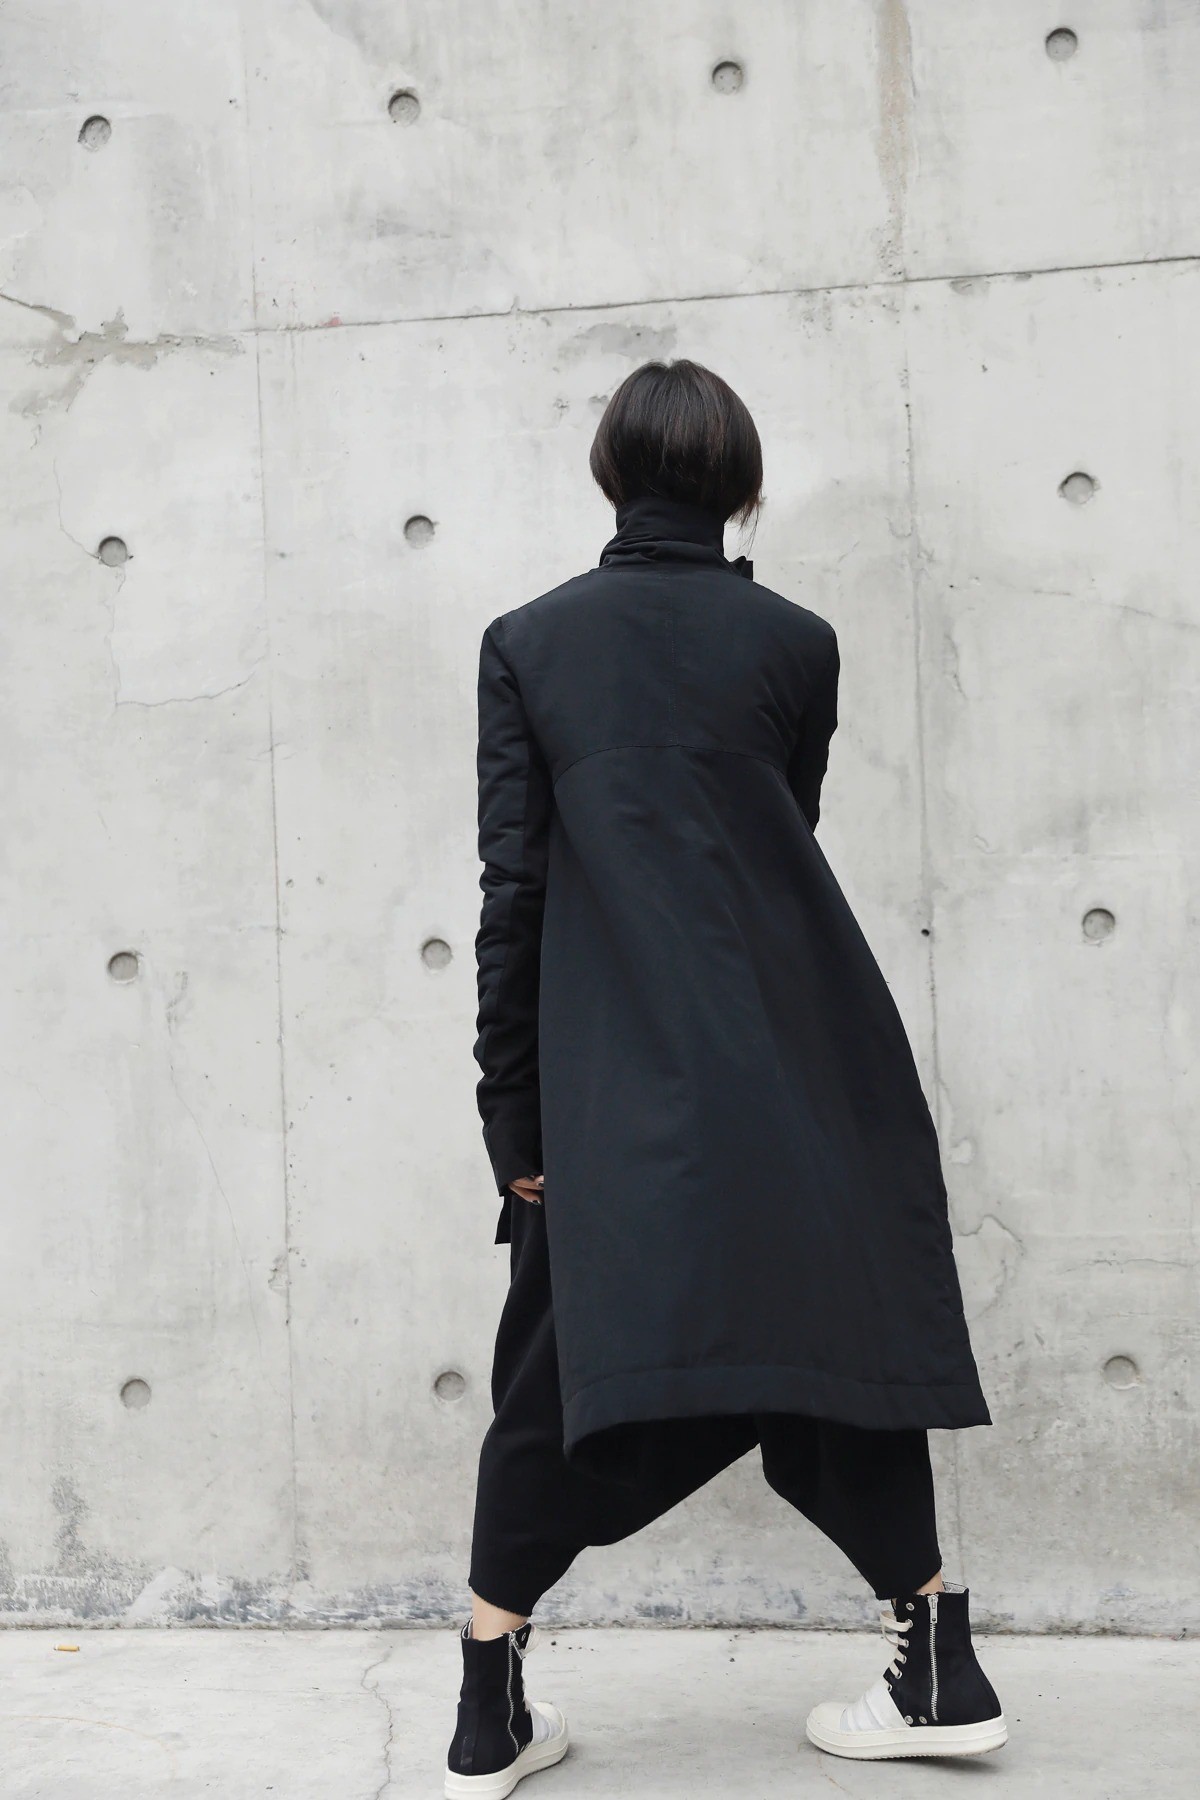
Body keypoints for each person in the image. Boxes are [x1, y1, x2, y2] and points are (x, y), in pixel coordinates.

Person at [444, 360, 1006, 1796]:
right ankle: (938, 1661)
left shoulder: (529, 642)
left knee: (563, 1361)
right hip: (800, 1053)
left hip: (617, 1076)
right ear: (743, 485)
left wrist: (515, 1113)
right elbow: (772, 842)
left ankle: (487, 1703)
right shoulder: (797, 644)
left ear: (607, 475)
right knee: (833, 1352)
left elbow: (517, 895)